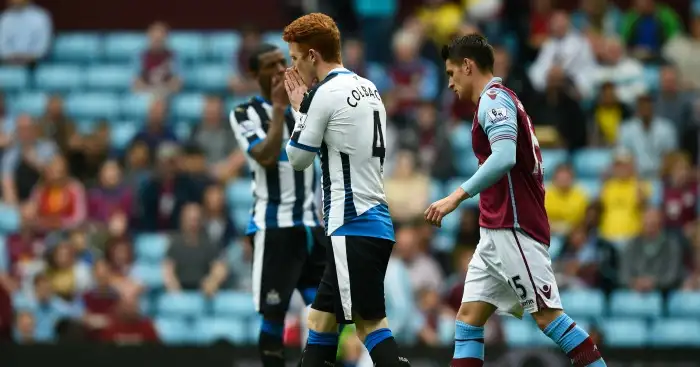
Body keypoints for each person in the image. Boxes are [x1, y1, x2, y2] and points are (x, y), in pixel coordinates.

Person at [424, 34, 606, 367]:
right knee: (468, 318)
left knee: (549, 318)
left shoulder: (494, 100)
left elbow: (505, 156)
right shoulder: (498, 100)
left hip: (514, 226)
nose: (449, 83)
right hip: (495, 229)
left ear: (468, 66)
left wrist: (456, 196)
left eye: (451, 74)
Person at [283, 13, 409, 367]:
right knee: (320, 319)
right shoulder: (369, 87)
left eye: (295, 59)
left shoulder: (324, 95)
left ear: (312, 55)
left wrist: (299, 109)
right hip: (373, 222)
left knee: (369, 327)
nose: (294, 68)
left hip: (351, 224)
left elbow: (297, 158)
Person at [228, 43, 326, 367]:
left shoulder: (306, 106)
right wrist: (278, 108)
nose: (280, 69)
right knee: (274, 315)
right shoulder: (245, 113)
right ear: (255, 74)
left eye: (283, 62)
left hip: (311, 226)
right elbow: (267, 156)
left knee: (328, 313)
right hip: (274, 229)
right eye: (270, 65)